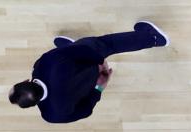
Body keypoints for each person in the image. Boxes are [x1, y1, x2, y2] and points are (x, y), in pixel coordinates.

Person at [9, 21, 169, 124]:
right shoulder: (43, 64)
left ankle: (70, 49)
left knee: (70, 53)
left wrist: (99, 87)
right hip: (87, 62)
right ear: (26, 80)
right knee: (104, 44)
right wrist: (99, 60)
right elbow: (86, 51)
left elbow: (85, 111)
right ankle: (154, 38)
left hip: (94, 80)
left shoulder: (52, 115)